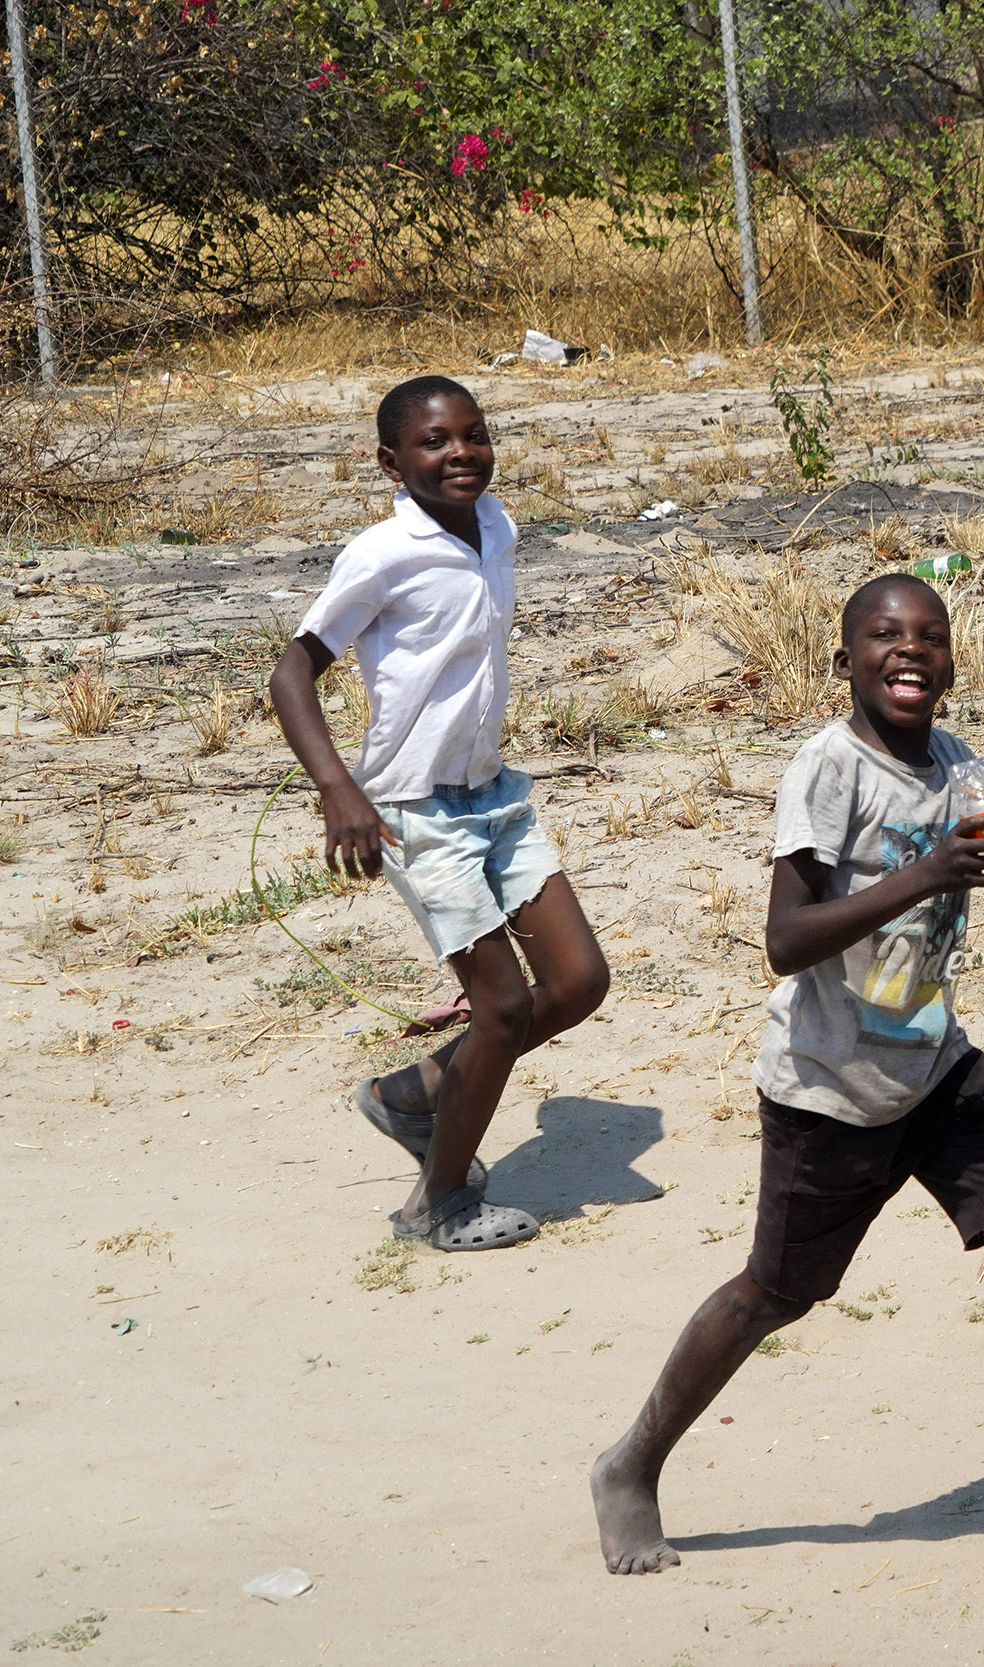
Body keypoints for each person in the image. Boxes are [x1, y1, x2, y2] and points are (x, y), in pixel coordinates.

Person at [592, 573, 984, 1576]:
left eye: (931, 635)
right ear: (844, 662)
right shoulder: (828, 769)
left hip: (933, 1062)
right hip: (828, 1086)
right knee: (772, 1291)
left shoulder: (966, 769)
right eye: (883, 634)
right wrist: (925, 872)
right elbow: (785, 939)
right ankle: (631, 1462)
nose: (909, 649)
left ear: (953, 662)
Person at [270, 375, 609, 1253]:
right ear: (391, 461)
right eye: (433, 442)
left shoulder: (497, 525)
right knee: (498, 1009)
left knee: (577, 982)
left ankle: (417, 1093)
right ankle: (439, 1202)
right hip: (415, 811)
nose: (460, 452)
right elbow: (292, 671)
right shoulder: (382, 554)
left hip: (495, 794)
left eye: (474, 433)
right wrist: (339, 787)